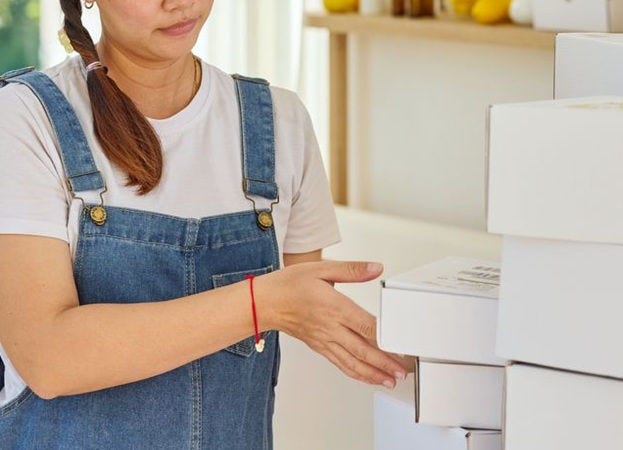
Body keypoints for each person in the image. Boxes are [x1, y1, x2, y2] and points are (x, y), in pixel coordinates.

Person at [0, 0, 408, 448]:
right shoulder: (23, 118)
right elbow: (49, 358)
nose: (181, 3)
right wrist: (260, 302)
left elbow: (305, 307)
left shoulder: (279, 122)